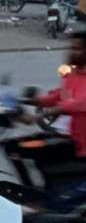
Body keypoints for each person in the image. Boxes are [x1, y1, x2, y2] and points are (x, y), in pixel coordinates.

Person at [36, 31, 86, 210]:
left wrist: (47, 113)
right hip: (68, 134)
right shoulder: (73, 74)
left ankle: (55, 205)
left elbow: (79, 102)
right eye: (71, 48)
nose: (71, 52)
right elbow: (60, 95)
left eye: (76, 49)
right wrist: (34, 100)